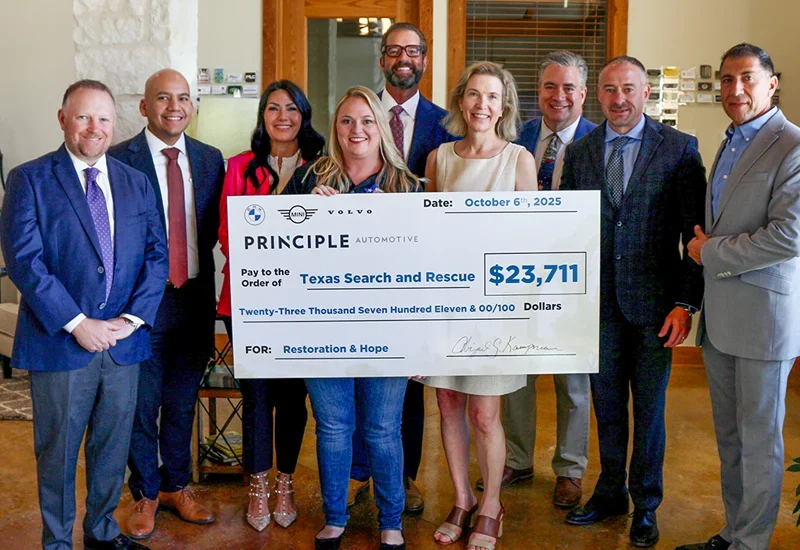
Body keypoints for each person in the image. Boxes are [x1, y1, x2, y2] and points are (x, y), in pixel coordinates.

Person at [0, 80, 168, 550]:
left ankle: (101, 532)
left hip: (122, 343)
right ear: (63, 119)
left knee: (112, 447)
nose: (95, 128)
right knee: (57, 451)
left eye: (104, 118)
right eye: (83, 117)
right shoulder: (30, 178)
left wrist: (131, 320)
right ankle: (57, 542)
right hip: (60, 342)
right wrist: (77, 323)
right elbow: (24, 261)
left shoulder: (135, 182)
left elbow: (157, 255)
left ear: (115, 123)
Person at [559, 56, 706, 548]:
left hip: (656, 308)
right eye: (609, 89)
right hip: (596, 307)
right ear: (596, 95)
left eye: (628, 89)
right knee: (606, 407)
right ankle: (609, 493)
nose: (618, 99)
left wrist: (686, 304)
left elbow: (693, 236)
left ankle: (646, 504)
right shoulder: (580, 152)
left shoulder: (679, 148)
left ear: (645, 93)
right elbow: (568, 233)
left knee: (649, 411)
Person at [285, 85, 420, 550]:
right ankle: (335, 518)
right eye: (346, 120)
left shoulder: (408, 186)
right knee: (333, 427)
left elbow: (427, 267)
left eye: (366, 120)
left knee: (382, 430)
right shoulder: (309, 179)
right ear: (335, 128)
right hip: (323, 326)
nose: (356, 130)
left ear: (380, 127)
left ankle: (391, 522)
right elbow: (282, 254)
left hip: (390, 328)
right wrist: (307, 217)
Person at [679, 43, 800, 550]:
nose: (735, 89)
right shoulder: (729, 140)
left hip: (764, 319)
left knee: (759, 441)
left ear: (772, 83)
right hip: (723, 319)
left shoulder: (792, 145)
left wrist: (708, 252)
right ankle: (734, 532)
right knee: (730, 438)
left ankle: (751, 543)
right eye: (727, 79)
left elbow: (789, 235)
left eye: (747, 77)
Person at [422, 61, 536, 550]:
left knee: (485, 415)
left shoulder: (519, 160)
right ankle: (463, 498)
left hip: (495, 308)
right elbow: (425, 233)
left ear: (504, 106)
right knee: (447, 405)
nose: (481, 105)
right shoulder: (439, 159)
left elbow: (532, 241)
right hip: (445, 304)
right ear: (460, 101)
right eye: (473, 94)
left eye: (492, 96)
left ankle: (491, 505)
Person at [108, 69, 224, 539]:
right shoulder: (119, 159)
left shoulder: (210, 159)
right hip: (141, 302)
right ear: (144, 106)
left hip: (194, 298)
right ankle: (146, 493)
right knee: (141, 402)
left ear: (192, 105)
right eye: (162, 98)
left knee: (180, 402)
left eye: (183, 98)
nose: (174, 107)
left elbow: (216, 228)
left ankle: (177, 486)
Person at [479, 50, 596, 509]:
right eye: (550, 86)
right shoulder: (515, 135)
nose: (558, 95)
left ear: (583, 93)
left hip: (575, 280)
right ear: (538, 92)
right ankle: (518, 458)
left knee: (573, 381)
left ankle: (569, 469)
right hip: (516, 277)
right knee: (516, 375)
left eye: (568, 87)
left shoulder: (600, 140)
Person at [347, 21, 454, 515]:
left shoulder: (446, 123)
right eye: (394, 51)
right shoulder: (358, 114)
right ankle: (359, 473)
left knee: (408, 388)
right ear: (382, 60)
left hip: (414, 272)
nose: (403, 59)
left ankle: (404, 476)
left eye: (413, 51)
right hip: (358, 274)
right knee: (357, 379)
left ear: (425, 60)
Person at [218, 79, 324, 531]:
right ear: (262, 116)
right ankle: (258, 486)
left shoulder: (322, 168)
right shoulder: (238, 167)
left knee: (293, 399)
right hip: (248, 301)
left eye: (292, 108)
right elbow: (227, 233)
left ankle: (285, 482)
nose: (283, 117)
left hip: (304, 306)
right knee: (258, 396)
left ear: (304, 116)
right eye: (274, 108)